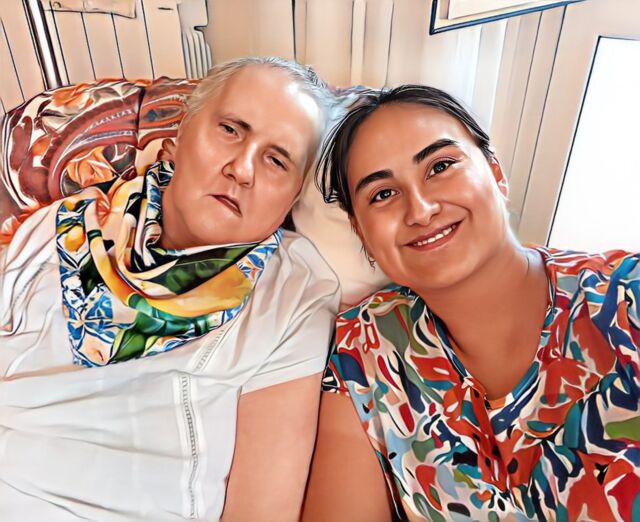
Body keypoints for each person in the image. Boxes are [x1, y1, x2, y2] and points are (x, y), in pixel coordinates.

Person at [0, 57, 340, 521]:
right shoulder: (60, 230)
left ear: (293, 196)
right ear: (180, 134)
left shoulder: (291, 291)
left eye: (276, 160)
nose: (242, 169)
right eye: (231, 130)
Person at [303, 85, 640, 521]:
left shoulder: (625, 297)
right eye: (383, 194)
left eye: (440, 166)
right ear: (361, 233)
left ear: (495, 173)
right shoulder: (365, 350)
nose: (420, 210)